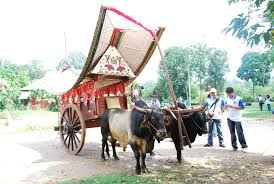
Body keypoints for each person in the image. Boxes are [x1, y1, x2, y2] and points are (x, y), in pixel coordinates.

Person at [225, 87, 248, 152]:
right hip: (229, 118)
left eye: (230, 94)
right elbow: (226, 108)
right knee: (232, 133)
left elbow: (242, 107)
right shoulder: (227, 99)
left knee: (240, 133)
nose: (229, 95)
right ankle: (234, 146)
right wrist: (226, 107)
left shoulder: (239, 99)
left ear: (233, 92)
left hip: (237, 119)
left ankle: (244, 146)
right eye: (228, 94)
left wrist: (232, 106)